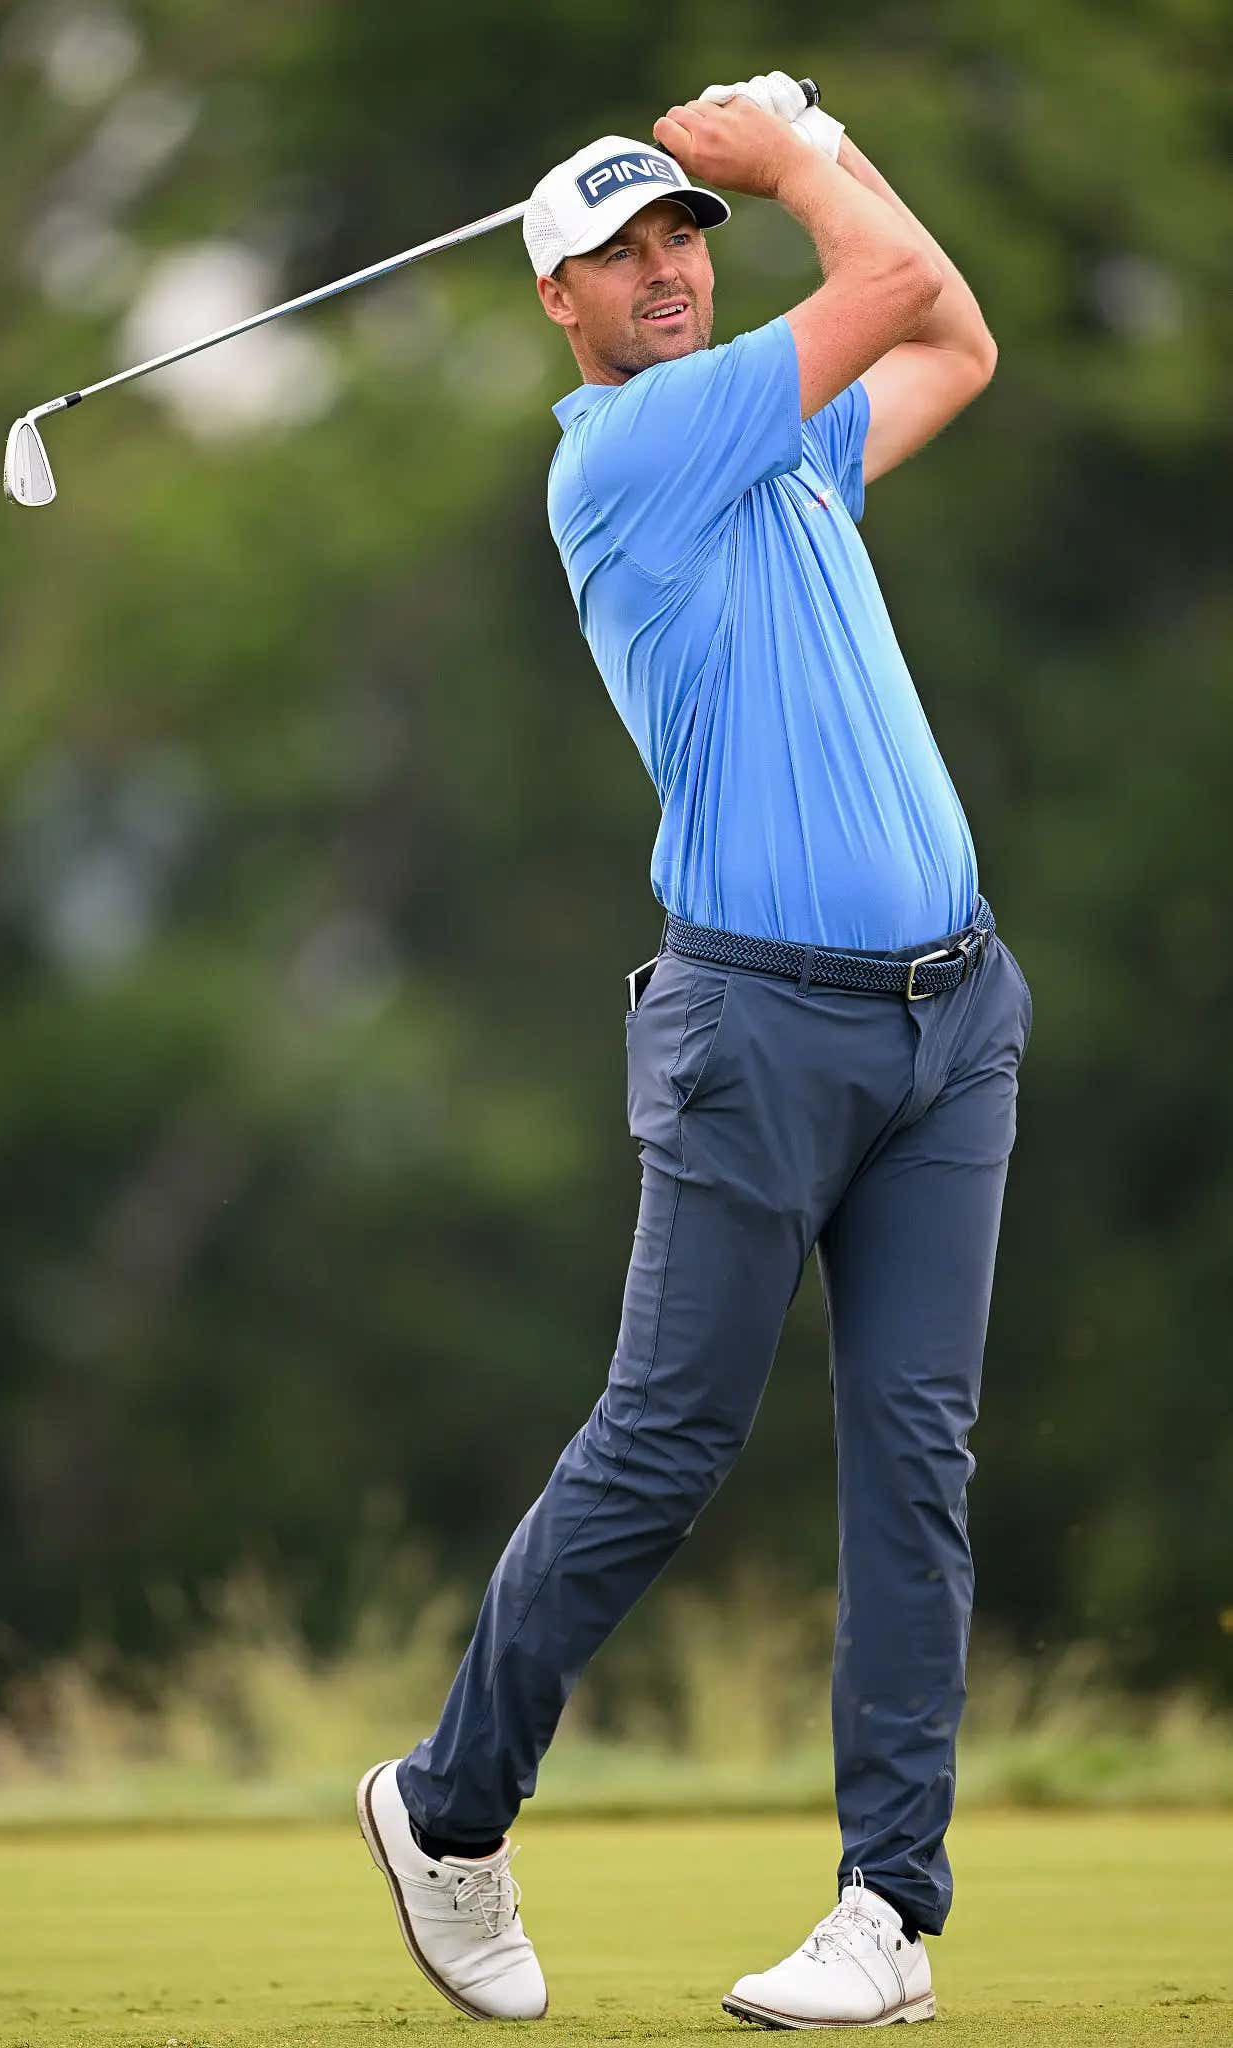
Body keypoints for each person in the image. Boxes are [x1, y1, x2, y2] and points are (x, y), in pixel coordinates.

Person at [358, 71, 1032, 2030]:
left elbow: (953, 330)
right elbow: (885, 268)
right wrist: (793, 146)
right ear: (555, 304)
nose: (662, 268)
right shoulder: (638, 448)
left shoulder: (789, 453)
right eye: (617, 250)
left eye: (680, 235)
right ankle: (449, 1806)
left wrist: (819, 143)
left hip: (950, 1023)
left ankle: (879, 1917)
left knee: (912, 1466)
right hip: (754, 1026)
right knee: (662, 1446)